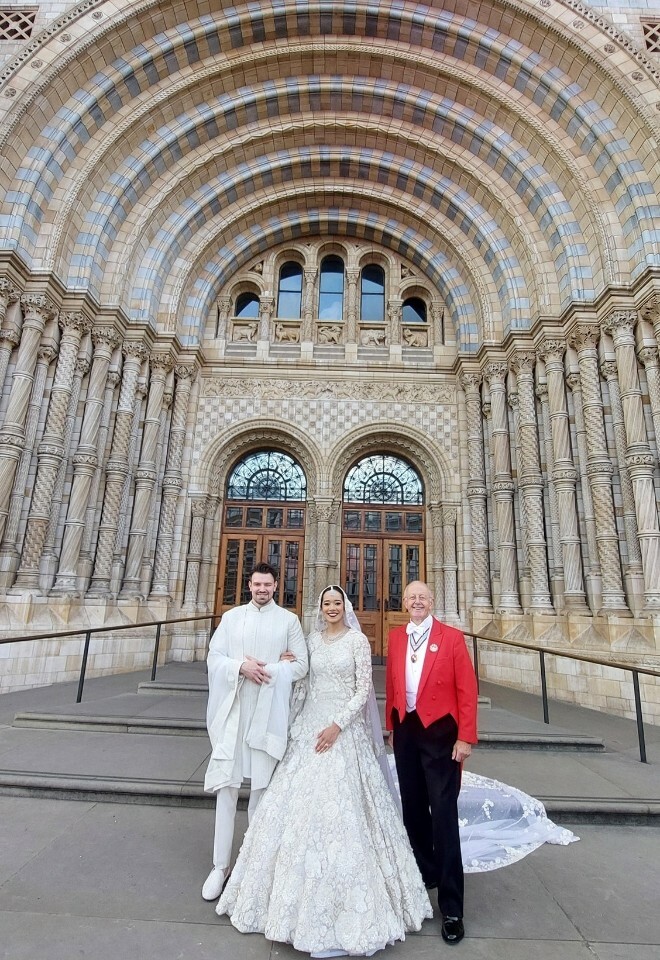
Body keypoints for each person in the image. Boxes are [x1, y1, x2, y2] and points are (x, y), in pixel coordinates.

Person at [217, 585, 433, 957]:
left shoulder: (358, 642)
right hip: (310, 729)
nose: (332, 608)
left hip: (342, 732)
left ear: (345, 607)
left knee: (346, 815)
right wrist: (284, 668)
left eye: (337, 603)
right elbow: (303, 679)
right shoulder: (312, 641)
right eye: (327, 604)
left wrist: (337, 725)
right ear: (320, 608)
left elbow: (363, 690)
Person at [201, 561, 308, 901]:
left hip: (268, 714)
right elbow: (214, 657)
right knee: (227, 787)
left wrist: (274, 670)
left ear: (276, 586)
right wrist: (241, 667)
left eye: (267, 584)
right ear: (249, 585)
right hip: (234, 710)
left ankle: (253, 865)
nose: (262, 589)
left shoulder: (289, 621)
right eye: (257, 584)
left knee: (261, 789)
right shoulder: (232, 618)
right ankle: (220, 866)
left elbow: (302, 664)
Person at [385, 580, 478, 946]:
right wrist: (392, 726)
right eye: (412, 597)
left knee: (443, 814)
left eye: (422, 597)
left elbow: (467, 689)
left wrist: (465, 737)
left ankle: (452, 907)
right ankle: (427, 872)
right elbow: (393, 684)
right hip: (406, 730)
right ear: (404, 603)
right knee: (412, 809)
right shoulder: (396, 637)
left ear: (432, 601)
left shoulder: (451, 638)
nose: (417, 602)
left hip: (441, 732)